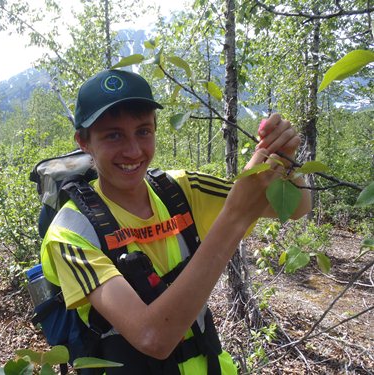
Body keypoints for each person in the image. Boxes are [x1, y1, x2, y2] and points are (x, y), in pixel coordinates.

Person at [40, 69, 311, 374]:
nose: (133, 150)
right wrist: (234, 217)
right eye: (113, 135)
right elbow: (152, 337)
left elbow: (296, 206)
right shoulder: (71, 232)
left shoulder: (182, 190)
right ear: (84, 142)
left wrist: (285, 162)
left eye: (143, 131)